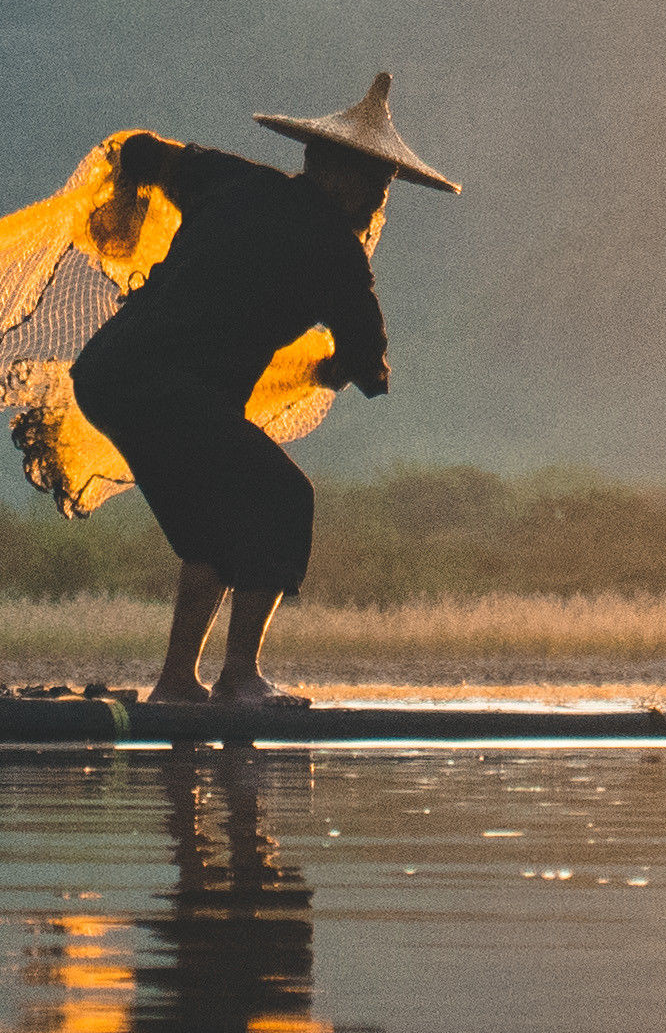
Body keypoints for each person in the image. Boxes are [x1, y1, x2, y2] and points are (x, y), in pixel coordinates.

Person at [70, 77, 454, 716]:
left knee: (212, 530)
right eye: (373, 186)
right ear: (330, 170)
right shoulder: (338, 253)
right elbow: (372, 368)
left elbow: (140, 151)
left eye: (385, 190)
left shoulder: (233, 180)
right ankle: (240, 676)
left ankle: (175, 685)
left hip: (109, 371)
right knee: (283, 496)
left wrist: (129, 216)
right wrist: (328, 369)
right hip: (171, 388)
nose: (378, 203)